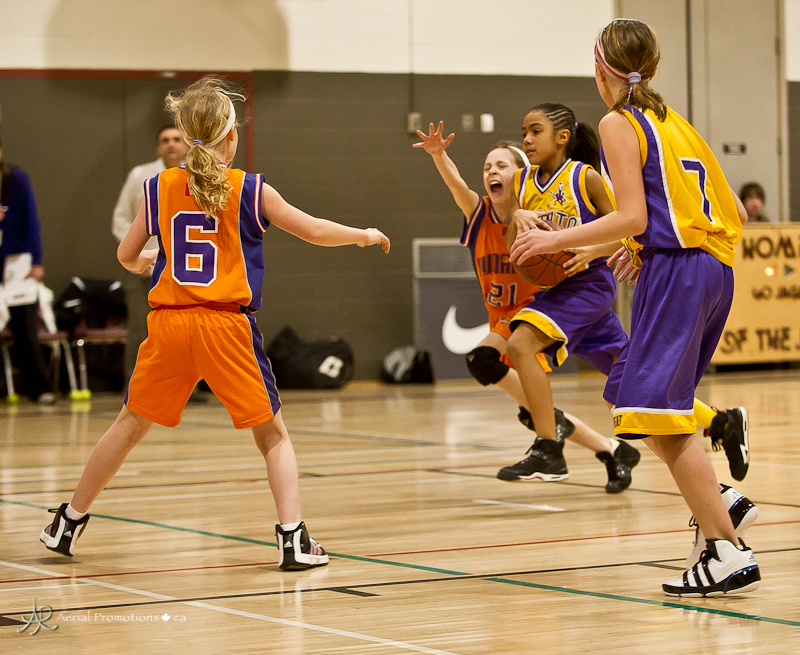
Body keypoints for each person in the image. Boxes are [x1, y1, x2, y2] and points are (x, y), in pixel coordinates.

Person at [40, 76, 390, 570]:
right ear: (231, 135)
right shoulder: (250, 188)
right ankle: (293, 540)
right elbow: (313, 230)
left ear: (186, 136)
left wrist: (145, 264)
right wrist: (363, 234)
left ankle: (67, 522)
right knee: (273, 436)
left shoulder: (158, 185)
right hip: (226, 327)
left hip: (169, 324)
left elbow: (126, 254)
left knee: (128, 425)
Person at [509, 20, 759, 596]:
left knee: (654, 412)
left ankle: (724, 550)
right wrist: (641, 245)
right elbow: (736, 212)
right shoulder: (675, 123)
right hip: (711, 270)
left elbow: (633, 216)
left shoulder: (617, 121)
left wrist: (552, 240)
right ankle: (719, 501)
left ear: (602, 70)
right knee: (627, 392)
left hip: (678, 273)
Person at [413, 121, 641, 493]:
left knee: (483, 361)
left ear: (521, 175)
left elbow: (605, 228)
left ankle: (554, 445)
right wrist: (439, 155)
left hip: (538, 310)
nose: (491, 171)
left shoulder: (544, 212)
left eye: (501, 165)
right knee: (536, 409)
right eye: (487, 166)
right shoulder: (479, 213)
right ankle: (611, 450)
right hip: (505, 317)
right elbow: (456, 185)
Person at [112, 125, 196, 389]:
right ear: (158, 147)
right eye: (165, 140)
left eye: (177, 139)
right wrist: (137, 253)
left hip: (184, 271)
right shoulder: (141, 175)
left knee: (184, 331)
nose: (171, 144)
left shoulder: (197, 176)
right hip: (144, 269)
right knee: (141, 329)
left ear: (187, 145)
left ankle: (184, 387)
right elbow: (120, 219)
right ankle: (135, 387)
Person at [0, 139, 56, 405]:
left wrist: (37, 260)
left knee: (25, 327)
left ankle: (39, 388)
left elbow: (32, 219)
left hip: (17, 260)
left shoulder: (16, 178)